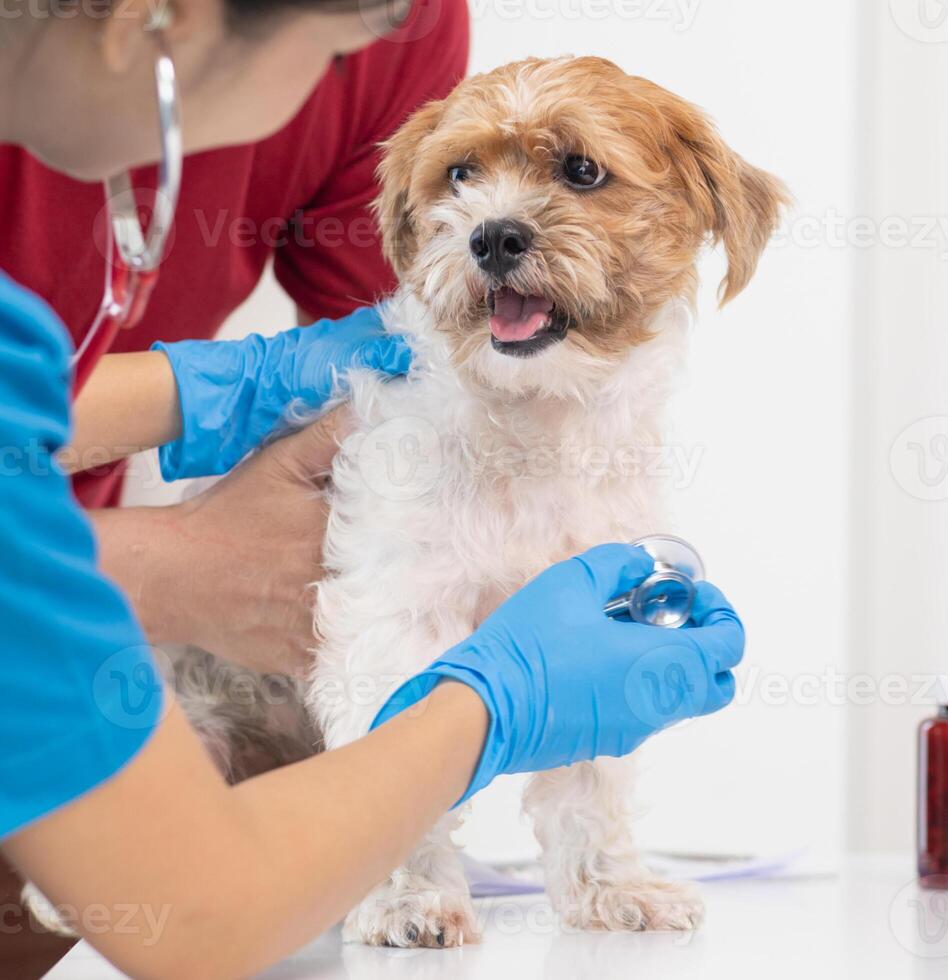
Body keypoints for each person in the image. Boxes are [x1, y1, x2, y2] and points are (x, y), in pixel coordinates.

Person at [0, 1, 745, 977]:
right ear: (151, 26)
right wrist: (488, 706)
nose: (360, 79)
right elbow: (196, 915)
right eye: (337, 53)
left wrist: (192, 393)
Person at [1, 0, 469, 679]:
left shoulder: (394, 21)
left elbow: (356, 464)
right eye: (333, 54)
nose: (345, 72)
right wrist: (163, 571)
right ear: (153, 20)